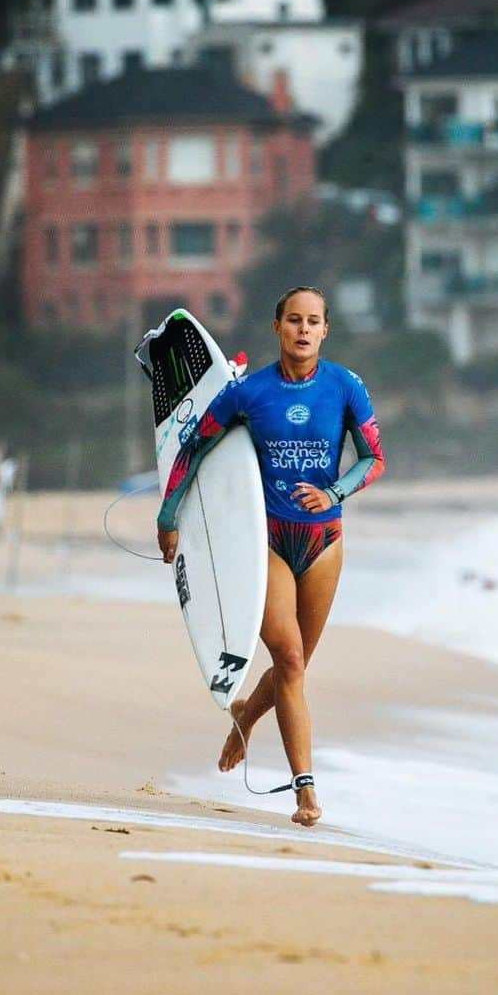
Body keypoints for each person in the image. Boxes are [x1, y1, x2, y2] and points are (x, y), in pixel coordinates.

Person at [155, 286, 385, 826]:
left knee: (295, 663)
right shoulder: (249, 393)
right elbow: (193, 449)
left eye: (314, 322)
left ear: (325, 330)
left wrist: (334, 493)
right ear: (277, 327)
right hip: (267, 544)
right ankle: (305, 791)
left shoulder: (345, 387)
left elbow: (373, 459)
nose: (303, 330)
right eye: (294, 320)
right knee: (291, 661)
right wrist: (169, 518)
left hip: (324, 543)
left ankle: (245, 715)